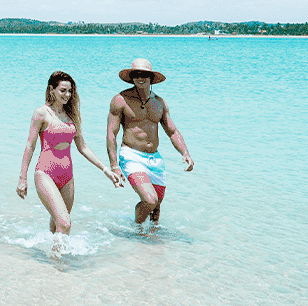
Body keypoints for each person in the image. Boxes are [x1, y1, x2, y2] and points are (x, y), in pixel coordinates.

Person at [17, 71, 122, 247]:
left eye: (70, 91)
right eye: (63, 90)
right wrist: (22, 177)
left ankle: (55, 260)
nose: (67, 95)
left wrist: (106, 170)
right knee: (65, 223)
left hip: (67, 177)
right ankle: (59, 260)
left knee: (57, 225)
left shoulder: (72, 115)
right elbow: (30, 145)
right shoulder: (41, 113)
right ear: (51, 89)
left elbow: (83, 147)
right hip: (45, 173)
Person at [106, 58, 194, 226]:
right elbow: (111, 133)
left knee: (156, 211)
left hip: (155, 159)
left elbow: (172, 131)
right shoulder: (120, 100)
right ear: (131, 77)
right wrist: (114, 165)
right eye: (136, 74)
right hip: (131, 155)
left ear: (152, 78)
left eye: (144, 74)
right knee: (150, 200)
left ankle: (150, 239)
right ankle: (137, 228)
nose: (140, 78)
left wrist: (185, 153)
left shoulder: (159, 103)